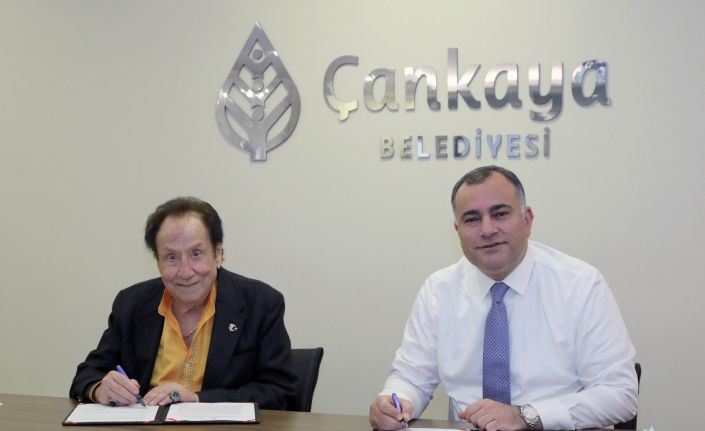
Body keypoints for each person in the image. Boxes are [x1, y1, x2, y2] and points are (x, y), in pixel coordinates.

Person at [369, 166, 638, 431]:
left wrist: (526, 416)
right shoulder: (438, 291)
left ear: (527, 220)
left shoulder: (580, 285)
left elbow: (620, 393)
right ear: (457, 230)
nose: (487, 229)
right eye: (472, 219)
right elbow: (411, 378)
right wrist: (395, 402)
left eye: (499, 214)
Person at [70, 197, 296, 409]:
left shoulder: (261, 304)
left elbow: (280, 391)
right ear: (157, 261)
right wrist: (100, 389)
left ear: (217, 253)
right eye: (172, 257)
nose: (185, 272)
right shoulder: (131, 304)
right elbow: (87, 374)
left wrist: (197, 399)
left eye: (196, 254)